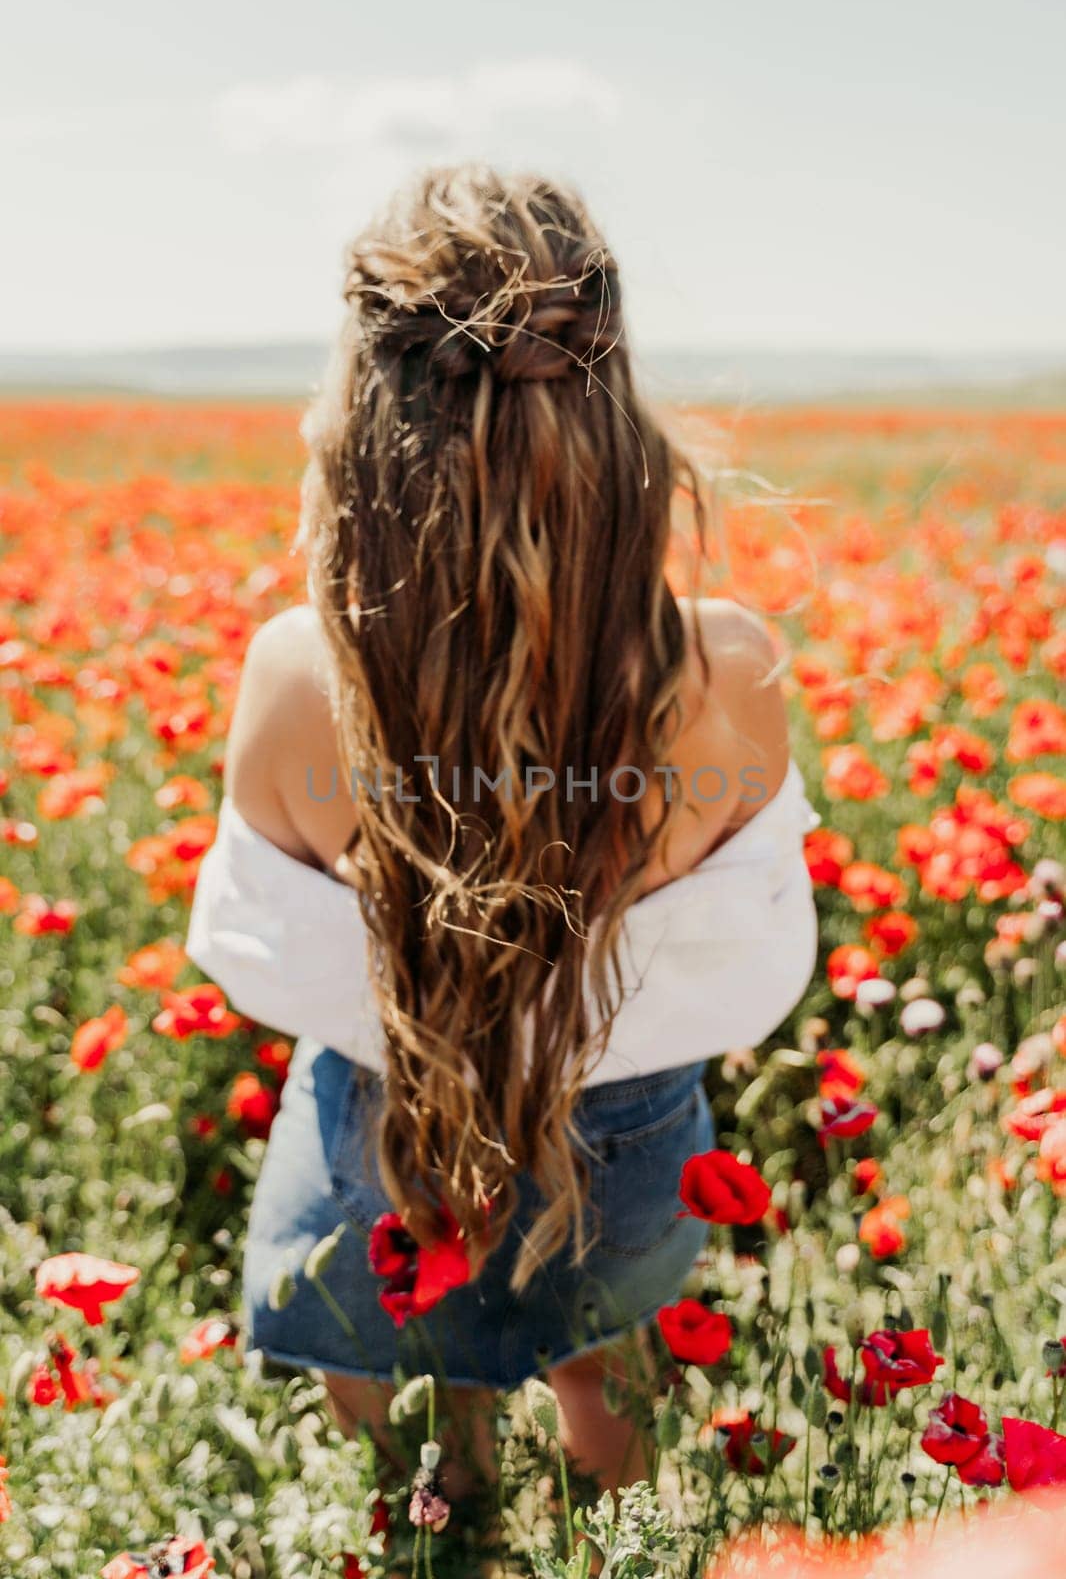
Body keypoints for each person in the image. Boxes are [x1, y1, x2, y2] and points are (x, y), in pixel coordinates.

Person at [185, 163, 818, 1516]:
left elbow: (250, 953)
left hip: (381, 1113)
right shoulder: (725, 667)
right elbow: (761, 963)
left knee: (380, 1371)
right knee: (600, 1371)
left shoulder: (302, 671)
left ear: (361, 403)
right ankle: (624, 1542)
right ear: (607, 388)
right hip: (633, 1126)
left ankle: (441, 1526)